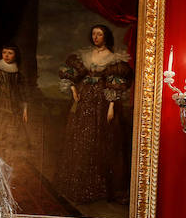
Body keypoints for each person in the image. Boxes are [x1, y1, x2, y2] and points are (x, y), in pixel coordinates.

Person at [56, 24, 133, 205]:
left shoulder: (114, 59)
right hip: (84, 101)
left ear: (106, 36)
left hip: (102, 102)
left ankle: (98, 188)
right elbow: (69, 74)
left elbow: (116, 84)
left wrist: (112, 106)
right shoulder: (84, 56)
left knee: (99, 139)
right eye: (94, 34)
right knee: (81, 138)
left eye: (99, 34)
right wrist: (74, 90)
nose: (96, 37)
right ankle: (78, 185)